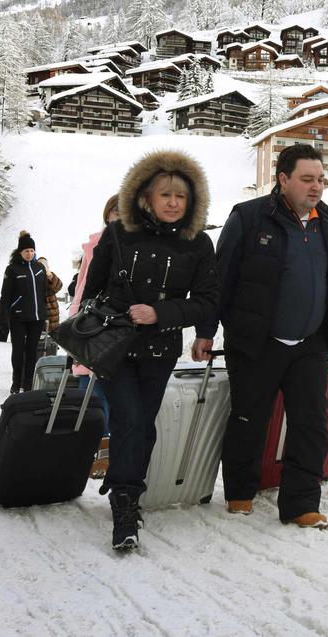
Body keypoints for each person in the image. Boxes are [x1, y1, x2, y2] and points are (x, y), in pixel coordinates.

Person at [193, 143, 328, 530]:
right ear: (283, 179)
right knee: (249, 418)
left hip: (310, 343)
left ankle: (301, 503)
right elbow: (219, 279)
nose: (316, 187)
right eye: (307, 179)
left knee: (310, 423)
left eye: (320, 179)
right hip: (257, 340)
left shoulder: (325, 222)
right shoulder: (248, 217)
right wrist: (206, 331)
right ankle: (240, 491)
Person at [82, 152, 219, 551]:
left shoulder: (198, 243)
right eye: (166, 194)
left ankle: (125, 486)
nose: (174, 202)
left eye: (181, 196)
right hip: (114, 347)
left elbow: (209, 300)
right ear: (146, 195)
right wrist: (86, 340)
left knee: (143, 423)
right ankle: (126, 502)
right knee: (127, 418)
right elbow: (92, 291)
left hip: (160, 348)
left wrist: (161, 313)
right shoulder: (118, 234)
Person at [68, 195, 120, 479]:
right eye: (114, 210)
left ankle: (104, 447)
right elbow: (83, 284)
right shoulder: (94, 243)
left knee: (102, 389)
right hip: (89, 319)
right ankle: (91, 447)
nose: (117, 215)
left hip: (111, 323)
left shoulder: (131, 243)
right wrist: (76, 316)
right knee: (86, 384)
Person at [0, 231, 47, 394]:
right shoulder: (12, 269)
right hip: (18, 317)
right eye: (26, 251)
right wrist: (4, 318)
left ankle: (28, 383)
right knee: (18, 351)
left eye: (32, 251)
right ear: (20, 252)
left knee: (32, 351)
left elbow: (44, 293)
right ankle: (16, 382)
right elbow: (5, 296)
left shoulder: (39, 268)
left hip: (37, 317)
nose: (30, 254)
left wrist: (44, 312)